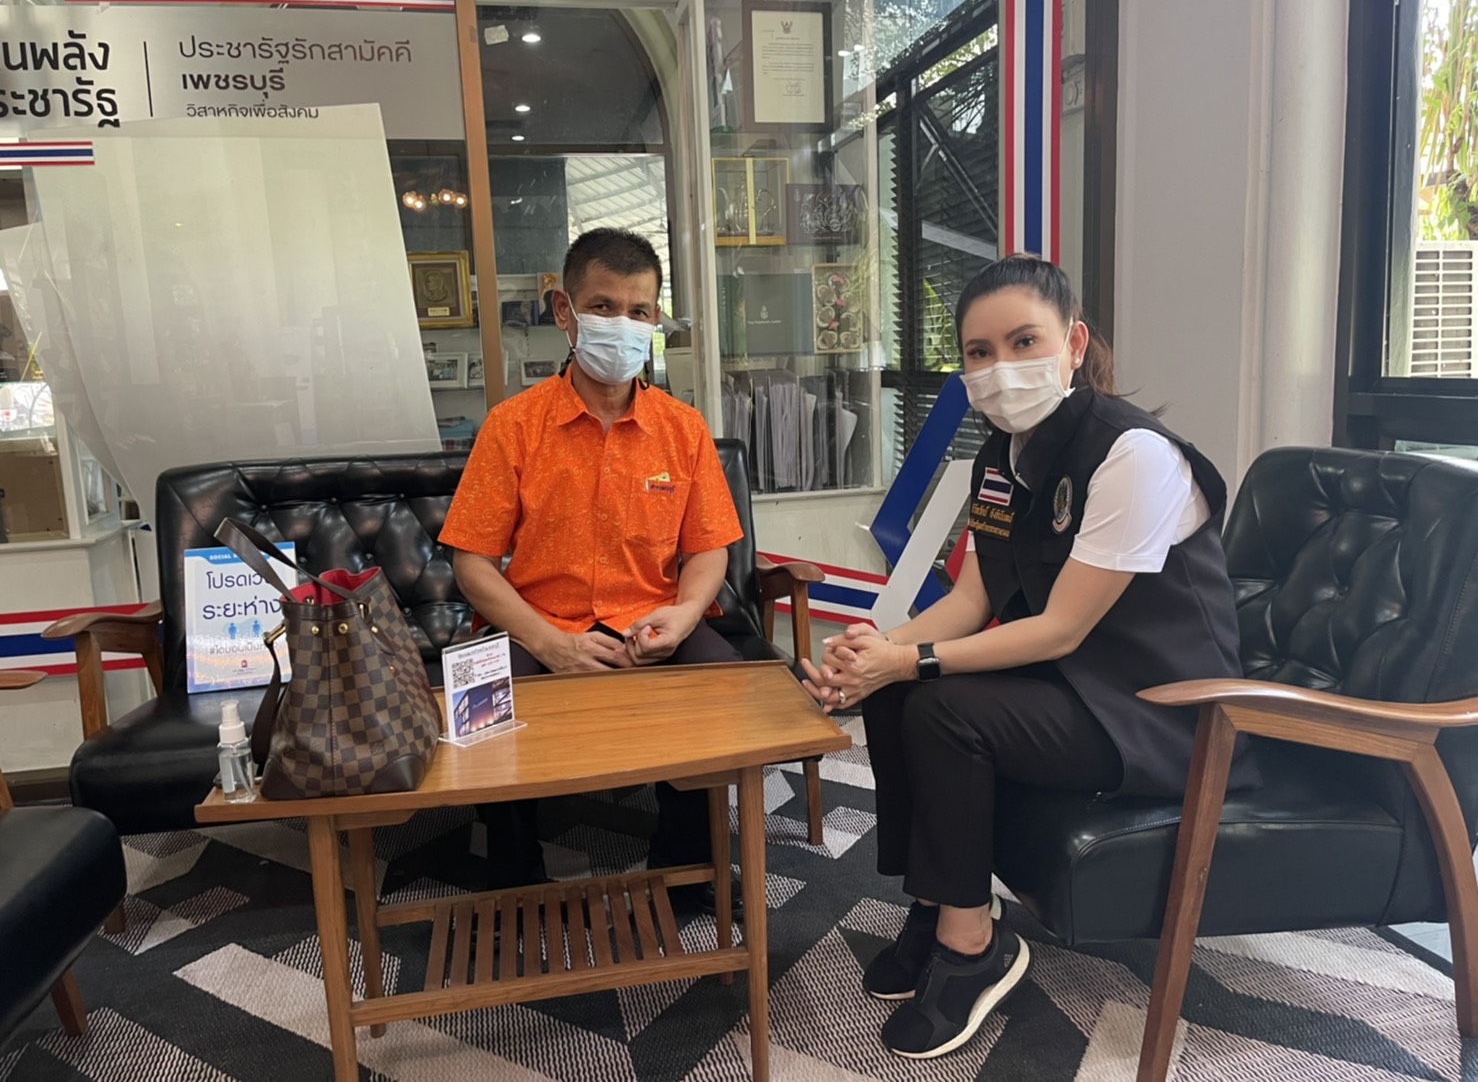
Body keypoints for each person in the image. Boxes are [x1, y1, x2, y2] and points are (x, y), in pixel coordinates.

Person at [800, 254, 1258, 1060]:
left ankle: (973, 948)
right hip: (1076, 689)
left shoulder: (1134, 455)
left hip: (1161, 711)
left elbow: (1060, 630)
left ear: (1073, 344)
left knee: (941, 707)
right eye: (979, 352)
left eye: (1023, 342)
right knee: (897, 693)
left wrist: (907, 662)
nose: (1001, 368)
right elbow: (970, 602)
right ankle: (936, 902)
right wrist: (871, 650)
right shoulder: (999, 459)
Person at [439, 228, 745, 913]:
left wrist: (684, 615)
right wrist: (550, 643)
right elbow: (472, 562)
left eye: (639, 311)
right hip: (536, 623)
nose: (622, 325)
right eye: (603, 307)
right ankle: (514, 878)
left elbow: (709, 549)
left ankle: (687, 865)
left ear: (656, 319)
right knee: (479, 701)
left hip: (650, 617)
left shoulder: (683, 429)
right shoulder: (512, 427)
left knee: (720, 686)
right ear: (564, 311)